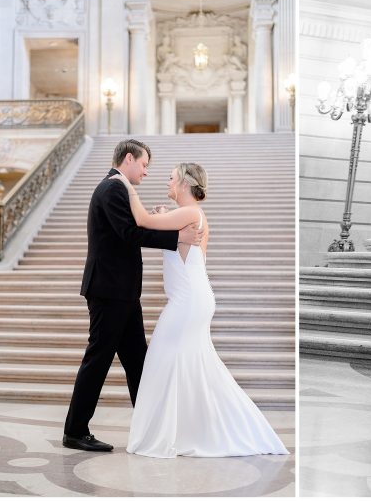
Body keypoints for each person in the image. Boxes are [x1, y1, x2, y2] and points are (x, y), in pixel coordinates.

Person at [110, 163, 288, 458]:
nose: (166, 181)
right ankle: (189, 430)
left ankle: (173, 433)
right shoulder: (189, 215)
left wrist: (124, 184)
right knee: (192, 366)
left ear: (182, 183)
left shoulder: (191, 212)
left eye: (170, 177)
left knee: (162, 359)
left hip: (188, 301)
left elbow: (139, 220)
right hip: (191, 298)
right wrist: (162, 217)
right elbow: (169, 238)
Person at [63, 140, 202, 452]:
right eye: (144, 165)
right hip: (109, 290)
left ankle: (152, 429)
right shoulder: (113, 188)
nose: (147, 172)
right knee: (98, 359)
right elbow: (129, 233)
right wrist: (176, 236)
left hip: (121, 291)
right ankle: (74, 430)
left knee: (139, 362)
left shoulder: (118, 188)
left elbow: (131, 229)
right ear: (129, 158)